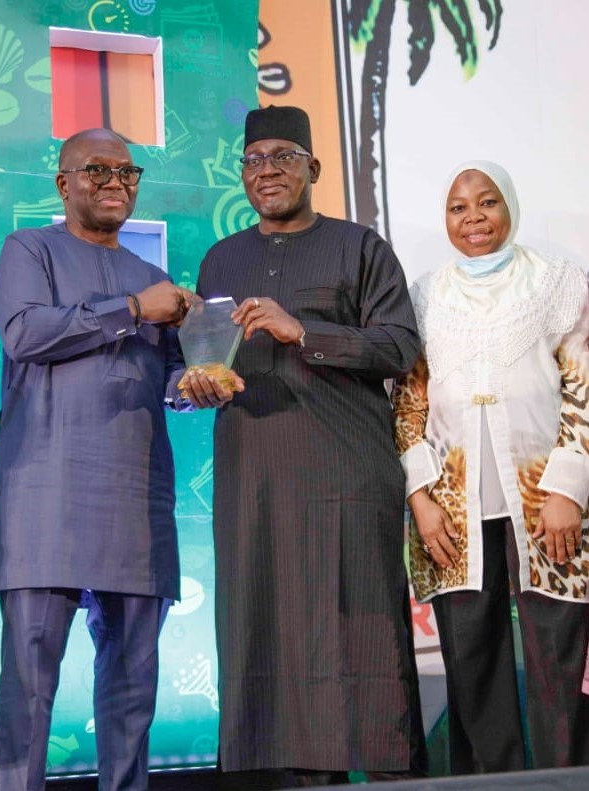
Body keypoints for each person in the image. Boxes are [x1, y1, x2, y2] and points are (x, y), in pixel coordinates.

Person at [184, 105, 427, 787]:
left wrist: (303, 331)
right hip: (253, 473)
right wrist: (199, 384)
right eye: (254, 159)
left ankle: (385, 770)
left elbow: (398, 345)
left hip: (345, 472)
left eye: (282, 157)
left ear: (312, 168)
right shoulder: (221, 259)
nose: (267, 170)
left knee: (361, 626)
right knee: (263, 624)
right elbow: (209, 357)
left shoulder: (358, 247)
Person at [0, 128, 210, 791]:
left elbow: (170, 380)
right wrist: (134, 310)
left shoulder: (155, 279)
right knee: (28, 688)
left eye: (126, 171)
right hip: (45, 495)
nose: (115, 182)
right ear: (64, 183)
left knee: (131, 691)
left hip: (136, 499)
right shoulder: (30, 249)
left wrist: (198, 382)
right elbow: (26, 332)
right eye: (97, 170)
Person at [392, 160, 589, 773]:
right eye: (458, 207)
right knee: (472, 658)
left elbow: (584, 387)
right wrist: (421, 498)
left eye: (487, 202)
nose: (473, 218)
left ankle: (567, 779)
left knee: (558, 655)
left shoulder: (558, 281)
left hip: (544, 499)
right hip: (450, 508)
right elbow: (408, 402)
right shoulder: (424, 295)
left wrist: (569, 488)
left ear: (509, 207)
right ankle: (489, 784)